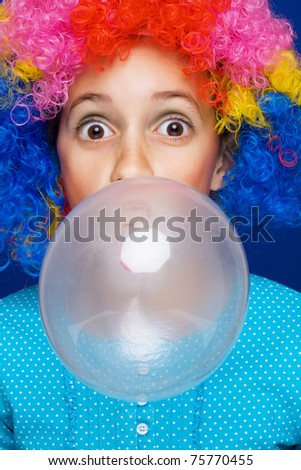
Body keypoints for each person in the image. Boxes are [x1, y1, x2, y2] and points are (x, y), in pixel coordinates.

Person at [0, 0, 301, 450]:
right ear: (53, 162)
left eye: (174, 127)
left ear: (223, 159)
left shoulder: (291, 337)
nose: (132, 169)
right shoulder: (8, 346)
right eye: (95, 129)